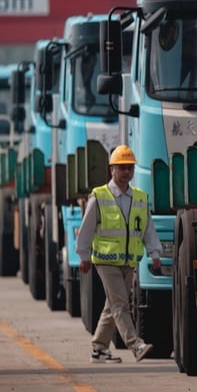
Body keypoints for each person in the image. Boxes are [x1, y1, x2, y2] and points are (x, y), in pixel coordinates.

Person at [76, 145, 162, 363]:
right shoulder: (99, 196)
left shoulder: (140, 198)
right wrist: (83, 255)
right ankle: (135, 344)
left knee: (113, 305)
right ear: (112, 169)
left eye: (129, 168)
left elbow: (147, 228)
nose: (127, 172)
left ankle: (99, 348)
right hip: (106, 261)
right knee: (121, 304)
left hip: (128, 260)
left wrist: (155, 253)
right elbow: (86, 228)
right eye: (122, 168)